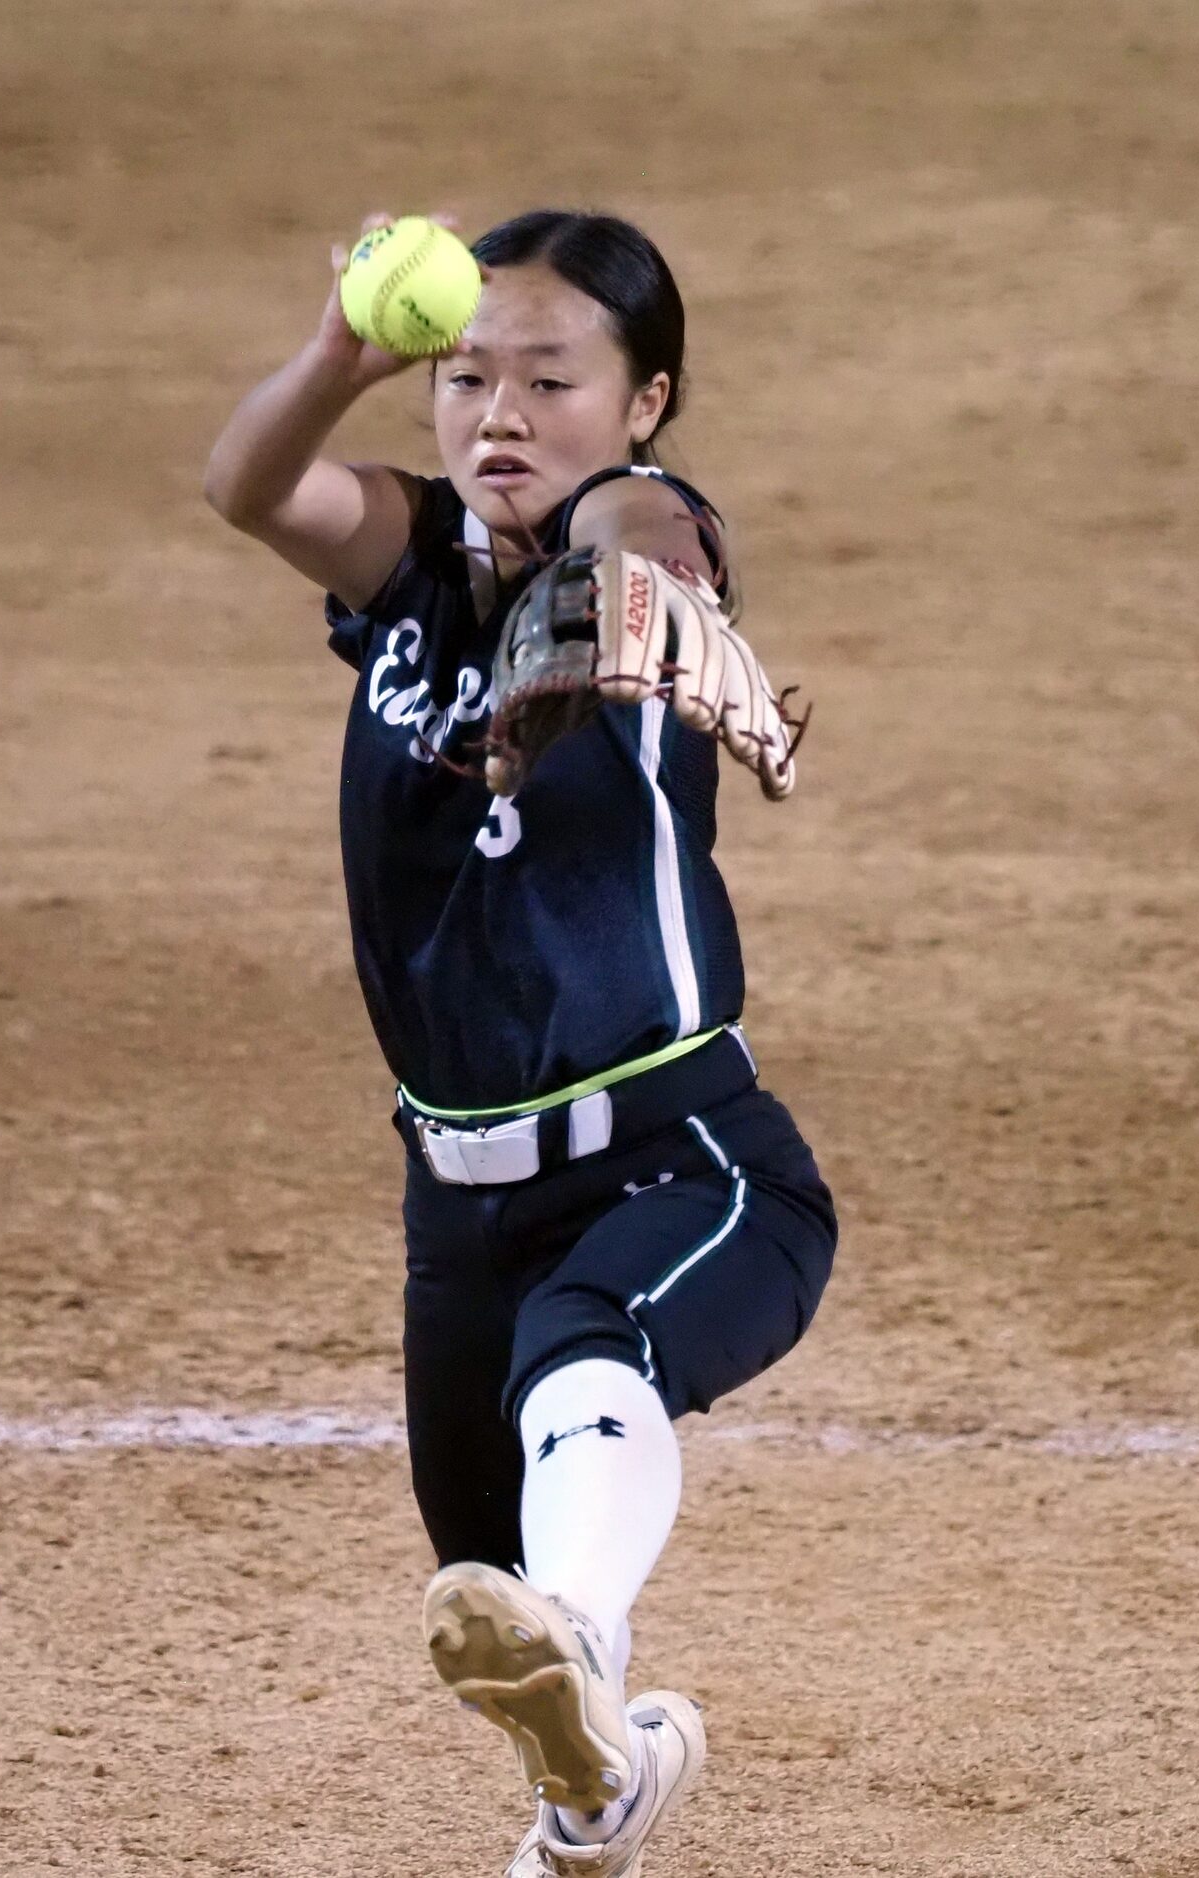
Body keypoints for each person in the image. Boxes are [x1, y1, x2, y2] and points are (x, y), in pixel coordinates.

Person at [204, 208, 837, 1877]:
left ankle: (580, 1656)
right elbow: (249, 485)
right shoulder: (407, 569)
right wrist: (342, 345)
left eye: (554, 380)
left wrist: (612, 599)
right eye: (467, 375)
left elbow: (648, 544)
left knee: (587, 1355)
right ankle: (600, 1796)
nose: (502, 414)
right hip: (456, 1206)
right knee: (481, 1576)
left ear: (644, 399)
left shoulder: (645, 518)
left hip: (684, 1158)